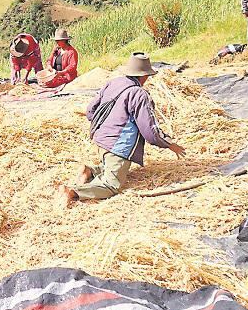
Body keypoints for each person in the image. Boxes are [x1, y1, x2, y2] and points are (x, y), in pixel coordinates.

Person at [58, 53, 186, 206]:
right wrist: (170, 144)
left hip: (99, 140)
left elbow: (90, 111)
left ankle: (89, 171)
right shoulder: (139, 94)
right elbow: (150, 131)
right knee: (111, 185)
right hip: (117, 147)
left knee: (112, 167)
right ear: (144, 76)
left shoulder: (114, 83)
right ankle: (73, 192)